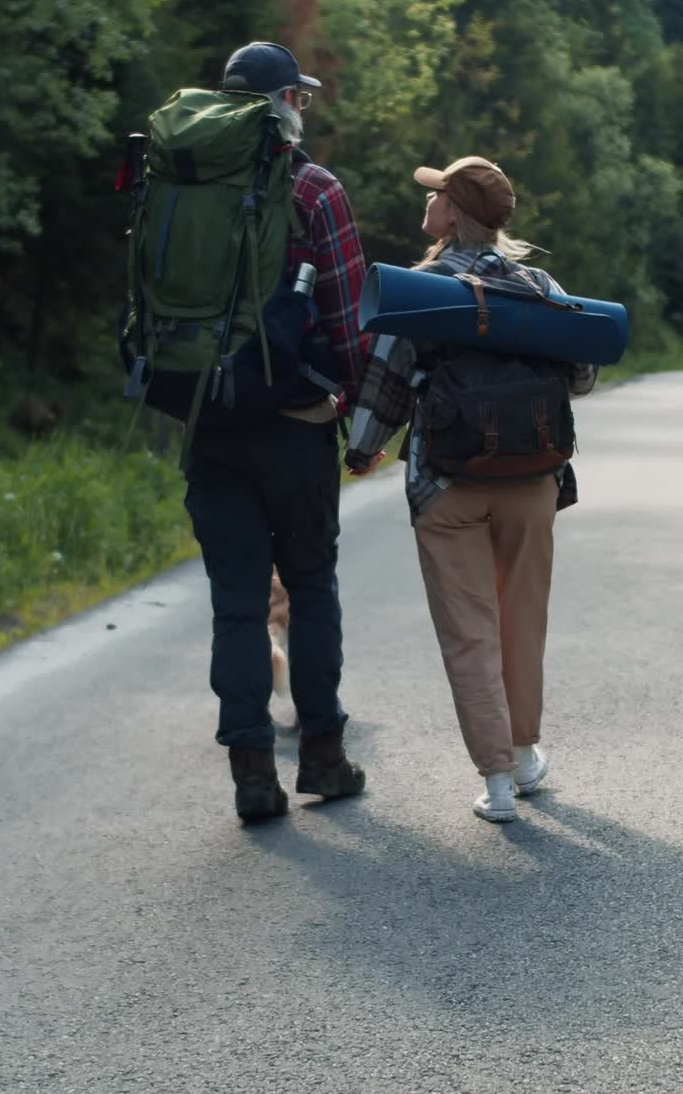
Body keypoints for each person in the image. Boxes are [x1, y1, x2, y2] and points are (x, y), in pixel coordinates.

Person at [345, 156, 597, 822]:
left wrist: (364, 449)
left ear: (453, 213)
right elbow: (581, 376)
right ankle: (522, 753)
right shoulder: (540, 283)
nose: (426, 204)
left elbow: (387, 377)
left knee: (469, 630)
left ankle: (498, 784)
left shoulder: (420, 288)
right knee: (521, 618)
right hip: (533, 479)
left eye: (436, 196)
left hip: (447, 482)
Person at [184, 42, 369, 821]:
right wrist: (359, 413)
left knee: (235, 605)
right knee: (312, 584)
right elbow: (349, 319)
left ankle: (252, 775)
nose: (305, 108)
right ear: (282, 103)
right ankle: (322, 757)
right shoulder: (315, 188)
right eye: (301, 96)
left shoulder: (183, 187)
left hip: (211, 426)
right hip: (296, 426)